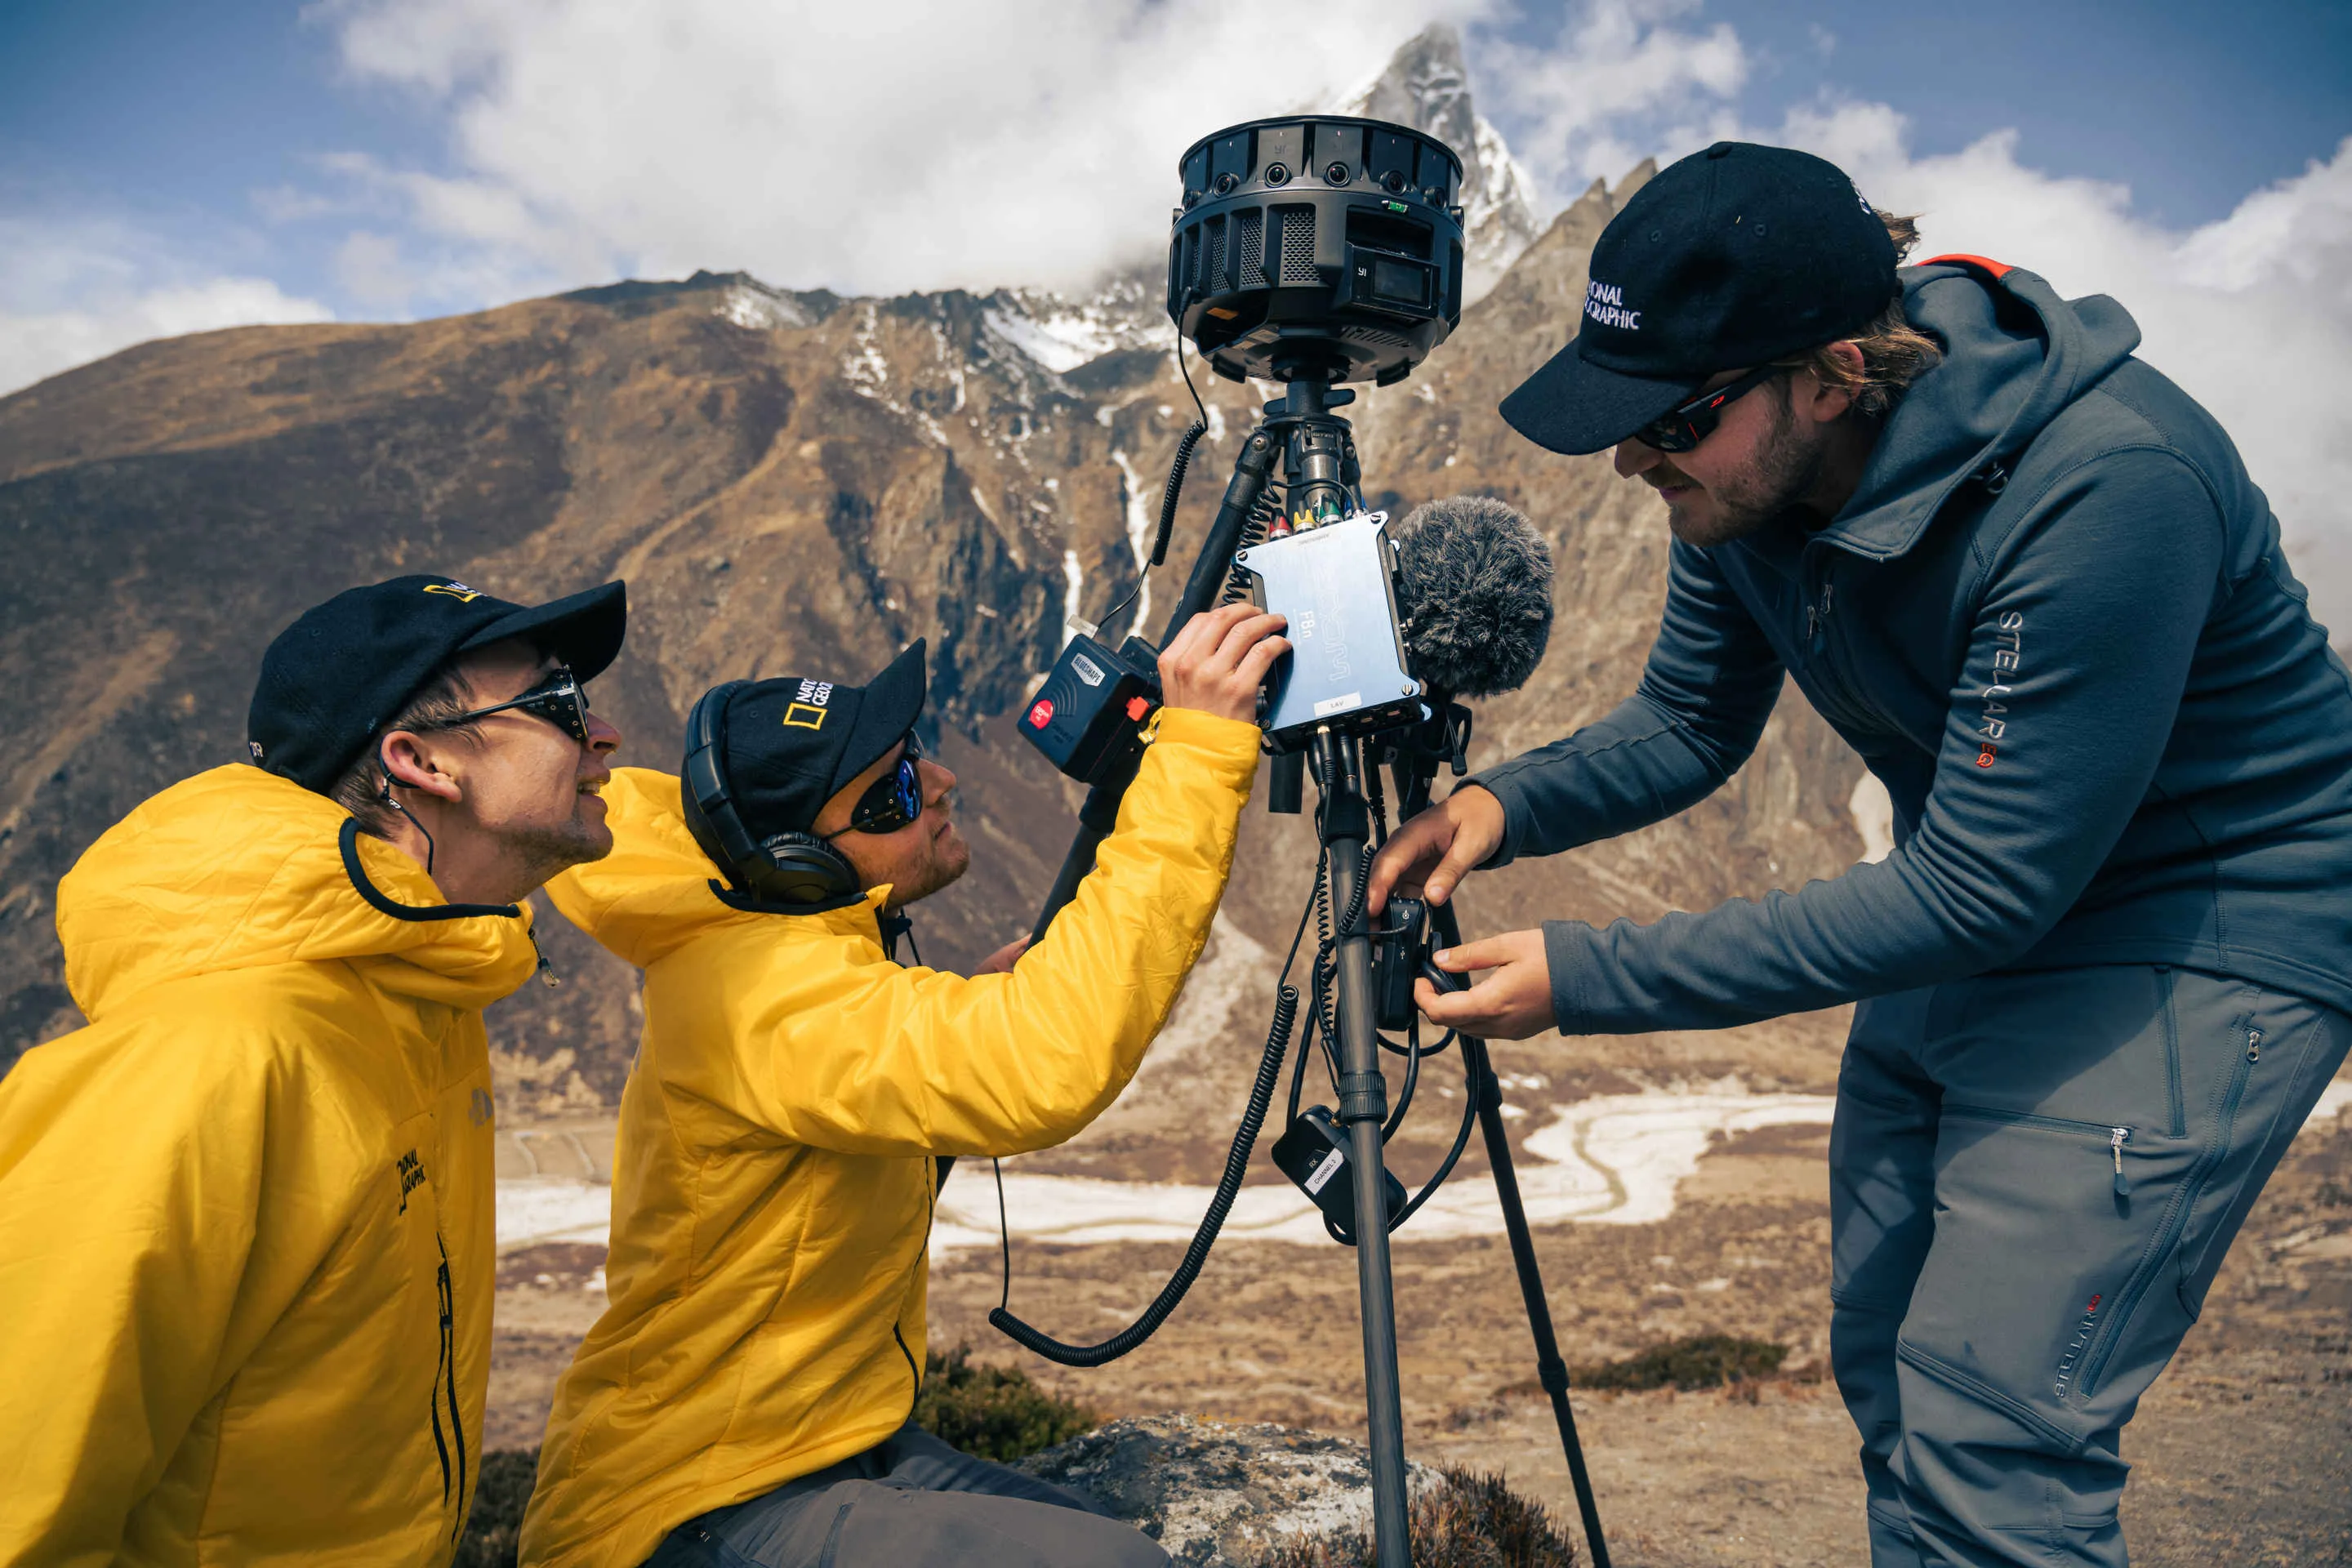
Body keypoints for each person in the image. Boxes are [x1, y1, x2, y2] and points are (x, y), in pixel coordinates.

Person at [1367, 141, 2352, 1567]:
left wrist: (1581, 976)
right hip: (1989, 897)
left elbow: (1979, 890)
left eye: (1673, 420)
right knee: (1890, 1365)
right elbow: (1691, 724)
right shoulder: (1745, 482)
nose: (1636, 458)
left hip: (2201, 926)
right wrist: (1496, 811)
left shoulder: (2106, 488)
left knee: (1994, 1426)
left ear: (1833, 373)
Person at [518, 601, 1288, 1568]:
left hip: (834, 1441)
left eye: (916, 752)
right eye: (889, 797)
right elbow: (1044, 1062)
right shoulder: (761, 994)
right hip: (701, 1496)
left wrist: (959, 1010)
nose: (940, 785)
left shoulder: (785, 955)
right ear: (798, 866)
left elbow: (846, 1046)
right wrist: (1201, 750)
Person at [0, 574, 627, 1566]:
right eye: (558, 705)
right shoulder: (215, 1059)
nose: (605, 737)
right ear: (419, 762)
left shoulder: (423, 1002)